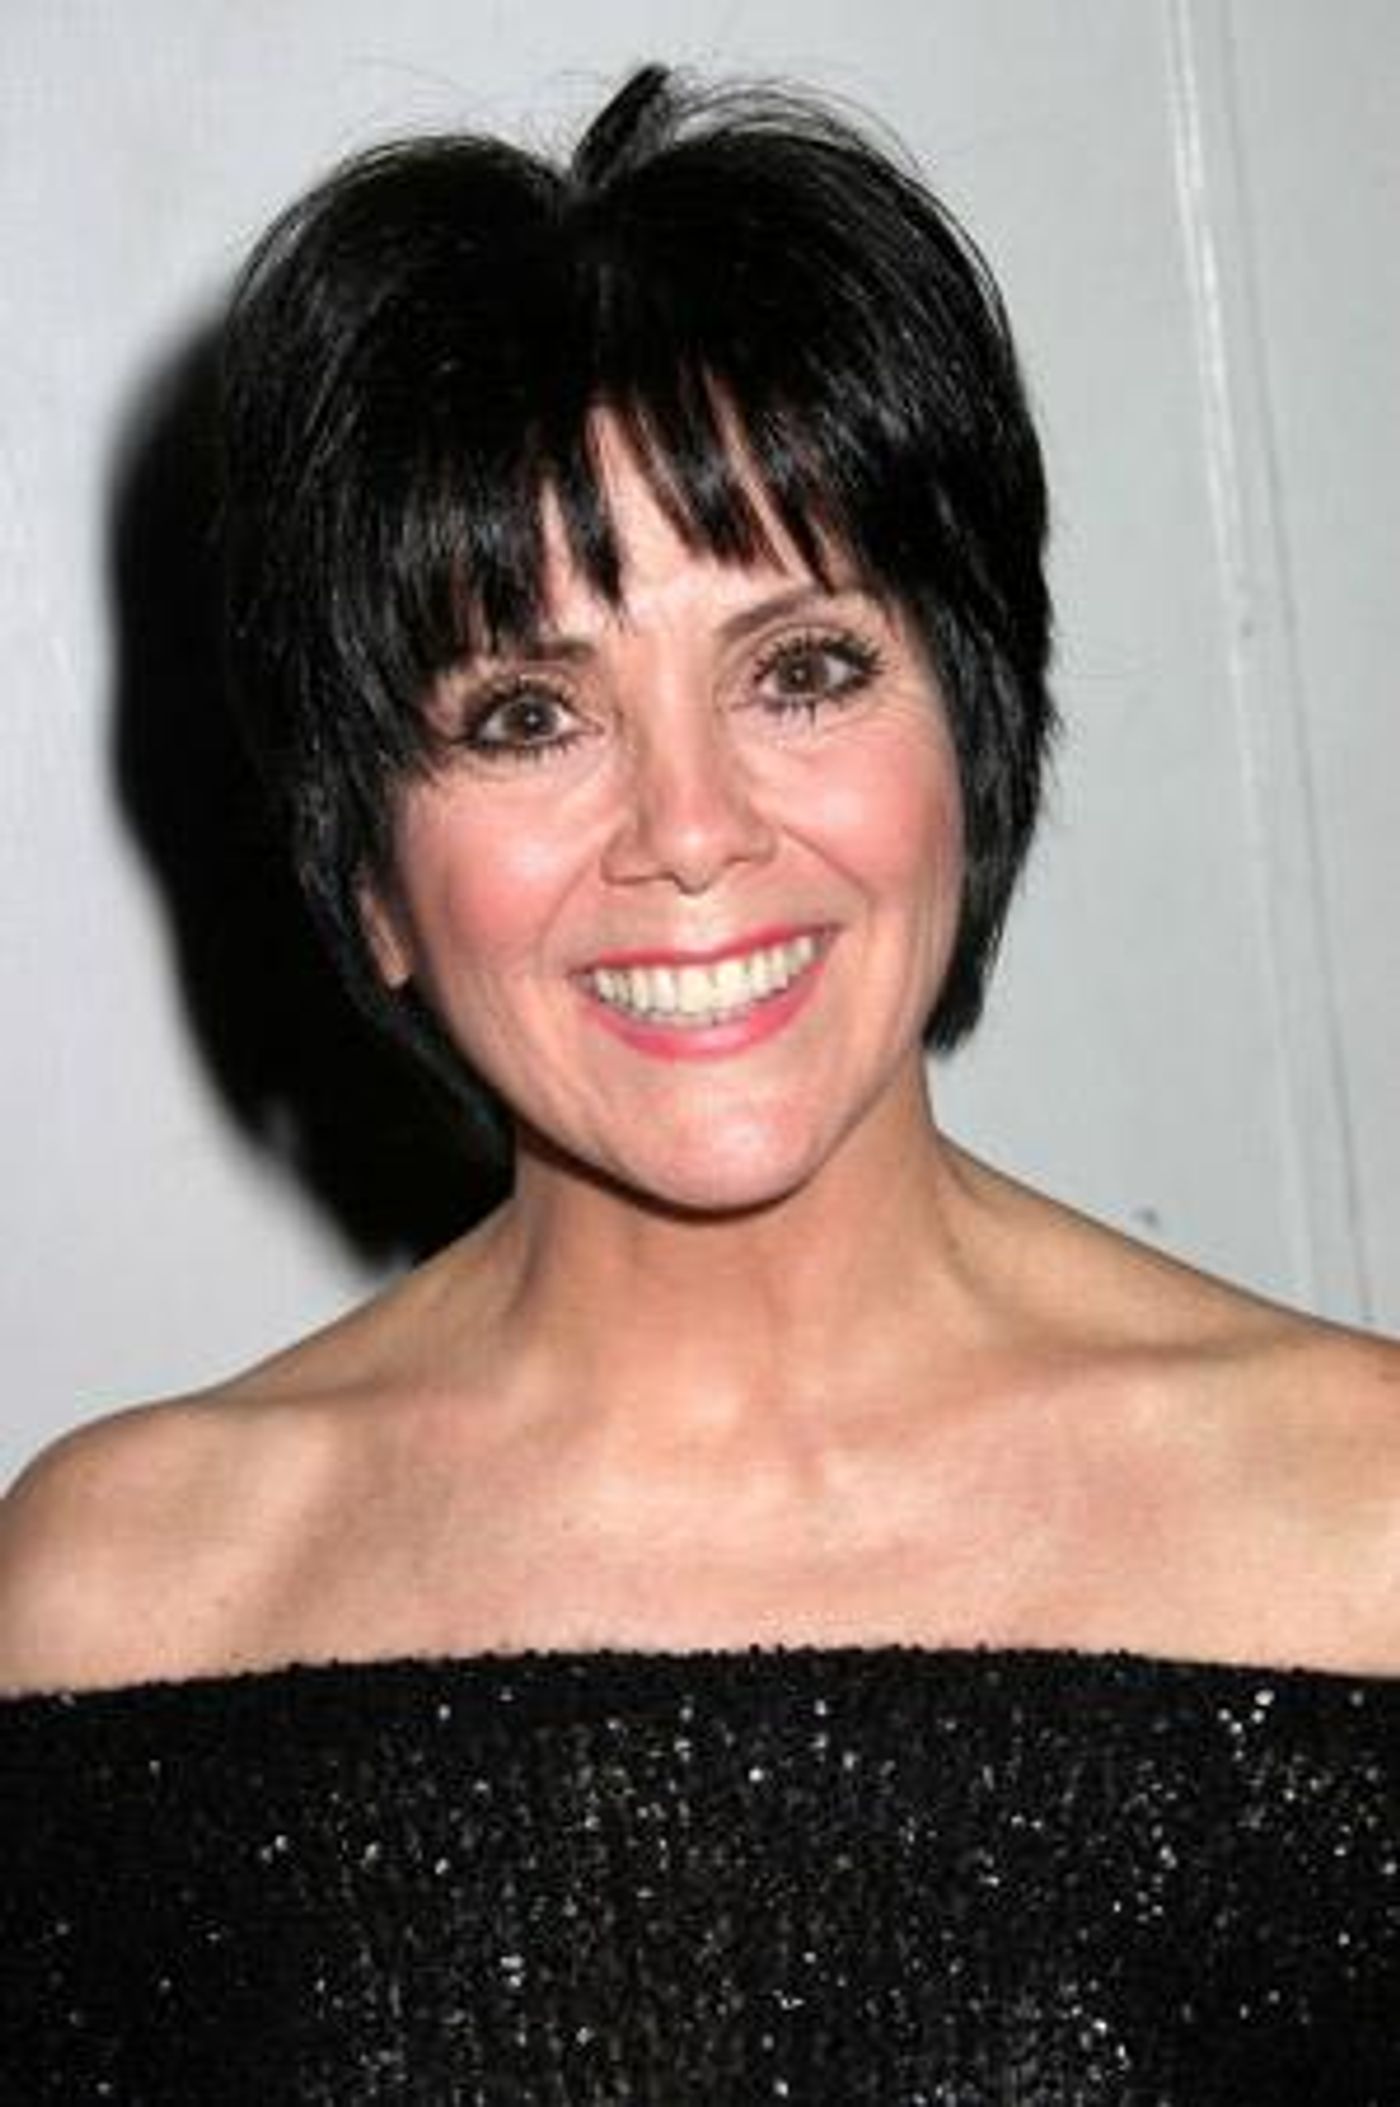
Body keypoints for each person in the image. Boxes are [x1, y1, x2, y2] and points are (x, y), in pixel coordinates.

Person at [2, 62, 1397, 2103]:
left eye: (800, 670)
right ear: (370, 874)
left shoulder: (1362, 1534)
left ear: (973, 734)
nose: (689, 827)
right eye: (525, 712)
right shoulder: (123, 1610)